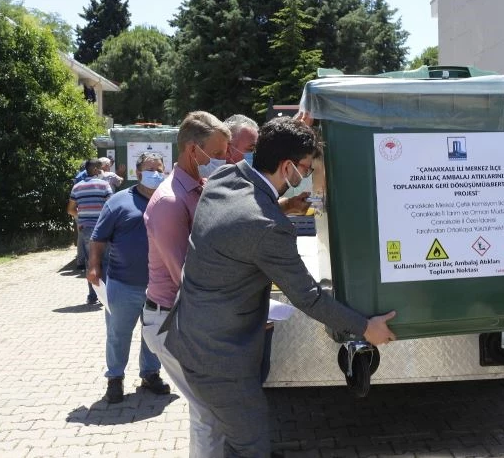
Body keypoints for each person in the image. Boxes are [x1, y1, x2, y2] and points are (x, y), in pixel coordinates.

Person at [165, 117, 397, 457]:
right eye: (305, 167)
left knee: (237, 440)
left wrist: (284, 205)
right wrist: (366, 328)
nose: (306, 174)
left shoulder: (225, 178)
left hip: (197, 334)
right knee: (252, 446)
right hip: (220, 358)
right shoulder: (268, 228)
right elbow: (310, 298)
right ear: (287, 166)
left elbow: (239, 225)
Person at [142, 111, 230, 458]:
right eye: (219, 154)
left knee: (209, 409)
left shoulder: (199, 189)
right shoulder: (169, 202)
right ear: (195, 151)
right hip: (172, 321)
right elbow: (187, 278)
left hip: (188, 317)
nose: (225, 161)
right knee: (208, 411)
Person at [87, 152, 171, 404]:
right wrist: (93, 267)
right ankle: (115, 378)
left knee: (154, 332)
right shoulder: (118, 201)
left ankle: (150, 374)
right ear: (137, 173)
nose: (155, 173)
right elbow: (98, 238)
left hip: (159, 285)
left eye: (159, 169)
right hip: (122, 285)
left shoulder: (168, 200)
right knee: (118, 334)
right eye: (149, 169)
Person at [67, 159, 112, 304]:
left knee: (90, 263)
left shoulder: (77, 187)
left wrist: (82, 218)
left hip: (86, 229)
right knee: (105, 261)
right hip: (103, 229)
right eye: (99, 168)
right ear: (96, 169)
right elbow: (111, 207)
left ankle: (92, 295)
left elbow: (70, 209)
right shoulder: (104, 185)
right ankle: (105, 296)